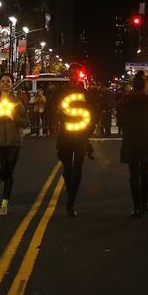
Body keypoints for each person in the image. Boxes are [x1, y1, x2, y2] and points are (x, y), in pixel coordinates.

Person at [116, 71, 148, 217]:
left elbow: (120, 122)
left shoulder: (124, 102)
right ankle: (145, 203)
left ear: (132, 86)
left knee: (133, 174)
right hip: (146, 139)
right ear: (144, 86)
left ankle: (136, 207)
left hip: (131, 140)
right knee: (145, 172)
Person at [54, 64, 97, 216]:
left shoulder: (85, 94)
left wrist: (88, 131)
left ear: (78, 76)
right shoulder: (61, 93)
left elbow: (93, 113)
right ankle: (70, 188)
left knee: (77, 168)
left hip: (80, 136)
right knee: (67, 168)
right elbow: (53, 110)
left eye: (75, 74)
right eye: (70, 74)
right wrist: (58, 116)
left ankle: (70, 204)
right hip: (66, 136)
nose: (72, 77)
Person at [0, 73, 29, 215]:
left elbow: (26, 121)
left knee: (9, 170)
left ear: (12, 84)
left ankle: (5, 201)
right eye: (3, 81)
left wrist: (14, 118)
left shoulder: (17, 100)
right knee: (0, 170)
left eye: (8, 81)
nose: (5, 83)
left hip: (14, 141)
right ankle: (7, 184)